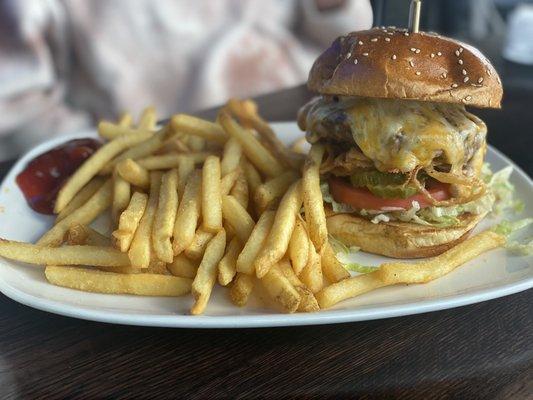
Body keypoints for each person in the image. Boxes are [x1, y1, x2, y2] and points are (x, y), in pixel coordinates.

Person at [0, 0, 372, 160]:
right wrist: (107, 151)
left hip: (302, 126)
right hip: (155, 147)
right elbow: (15, 104)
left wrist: (332, 7)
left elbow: (340, 51)